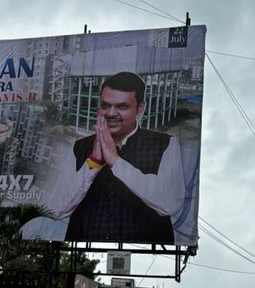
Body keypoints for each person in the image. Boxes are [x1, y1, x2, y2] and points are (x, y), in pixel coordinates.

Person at [50, 71, 187, 244]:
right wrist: (93, 162)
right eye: (105, 106)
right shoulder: (79, 148)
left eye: (122, 106)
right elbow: (54, 209)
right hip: (82, 254)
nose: (111, 113)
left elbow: (170, 204)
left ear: (140, 108)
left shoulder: (165, 144)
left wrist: (116, 162)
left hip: (146, 257)